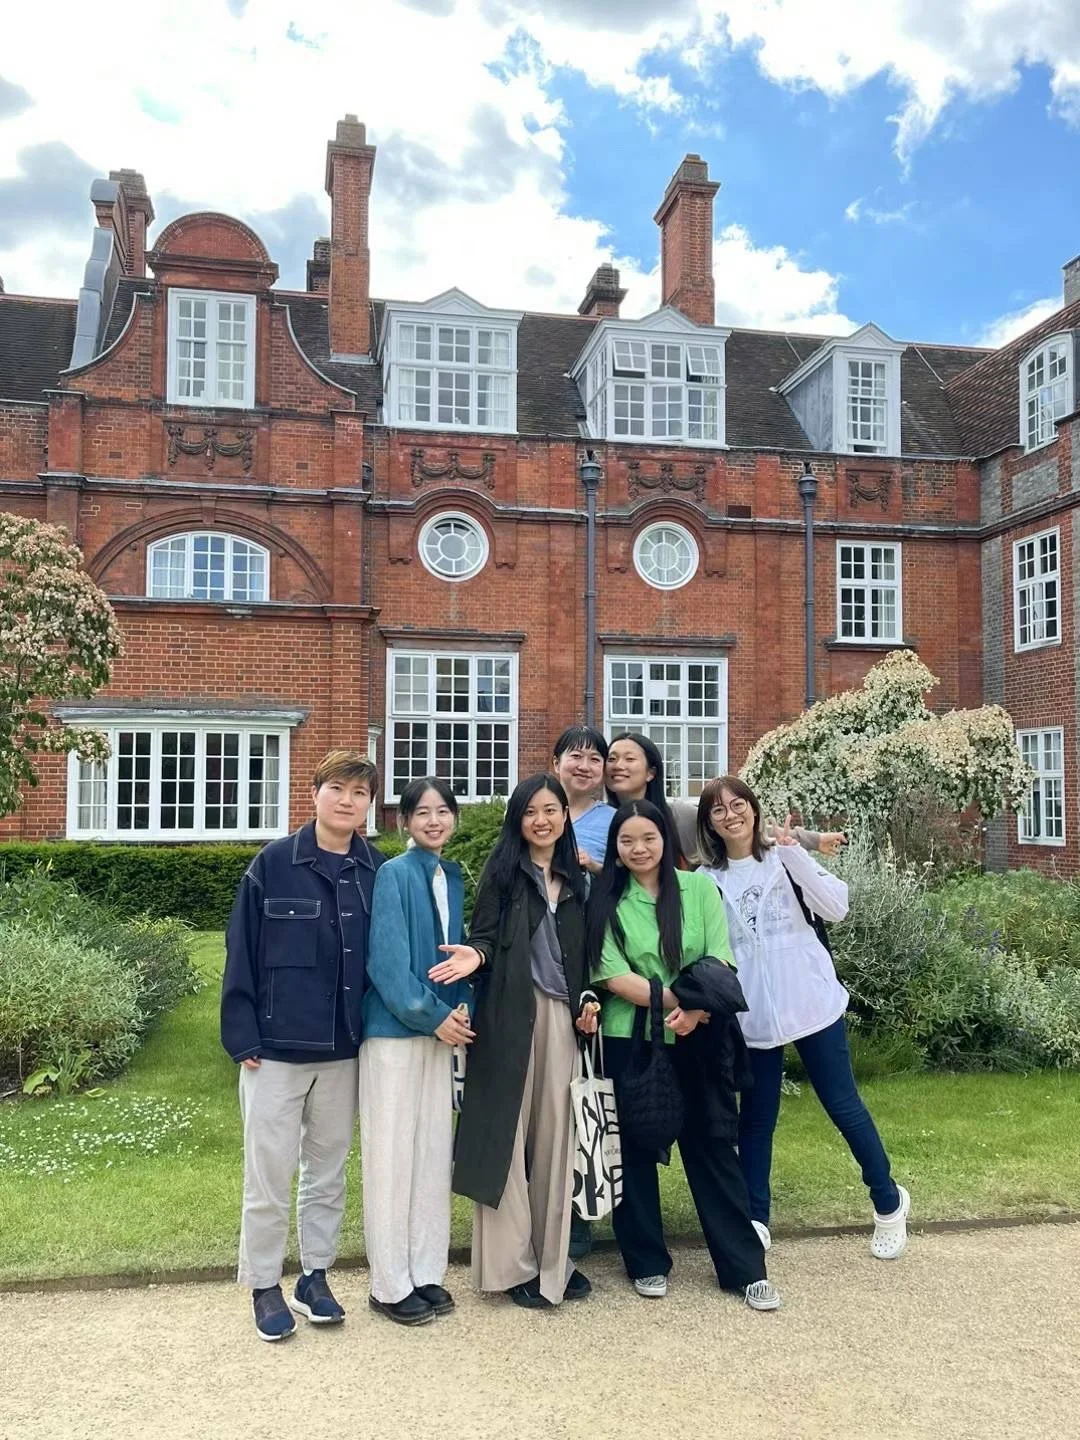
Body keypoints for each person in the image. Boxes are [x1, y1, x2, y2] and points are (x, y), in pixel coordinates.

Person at [696, 775, 910, 1259]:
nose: (731, 815)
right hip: (753, 1018)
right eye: (718, 810)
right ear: (709, 823)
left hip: (811, 1003)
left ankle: (889, 1203)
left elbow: (835, 907)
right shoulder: (708, 880)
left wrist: (795, 852)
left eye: (738, 805)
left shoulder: (784, 859)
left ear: (754, 808)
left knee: (843, 1106)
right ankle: (756, 1219)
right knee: (757, 1120)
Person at [586, 799, 780, 1311]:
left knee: (712, 1148)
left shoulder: (697, 888)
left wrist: (697, 1012)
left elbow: (719, 956)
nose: (638, 849)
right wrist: (685, 1000)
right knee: (635, 1151)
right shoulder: (606, 900)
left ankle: (743, 1268)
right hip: (631, 1038)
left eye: (648, 838)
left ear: (665, 840)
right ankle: (646, 1260)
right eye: (626, 841)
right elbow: (611, 974)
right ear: (615, 848)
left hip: (698, 1037)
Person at [221, 748, 384, 1343]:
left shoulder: (376, 870)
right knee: (268, 1174)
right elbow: (241, 949)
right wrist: (241, 1035)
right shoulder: (272, 864)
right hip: (275, 1051)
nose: (347, 800)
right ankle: (264, 1285)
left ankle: (314, 1276)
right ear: (314, 792)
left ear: (369, 804)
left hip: (344, 1049)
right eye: (337, 788)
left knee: (329, 1172)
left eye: (360, 793)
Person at [432, 774, 600, 1308]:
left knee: (556, 1139)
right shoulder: (504, 873)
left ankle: (553, 1259)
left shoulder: (579, 883)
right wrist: (475, 957)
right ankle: (511, 1266)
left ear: (563, 816)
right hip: (510, 1015)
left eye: (551, 810)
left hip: (562, 1021)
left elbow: (588, 958)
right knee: (507, 1134)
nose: (542, 820)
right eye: (531, 811)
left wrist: (590, 1000)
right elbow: (482, 938)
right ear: (518, 820)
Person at [360, 777, 475, 1326]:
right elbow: (387, 966)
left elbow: (457, 958)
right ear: (404, 822)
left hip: (439, 1033)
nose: (434, 820)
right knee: (391, 1158)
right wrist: (435, 1018)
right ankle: (387, 1283)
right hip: (396, 1035)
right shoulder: (393, 874)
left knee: (431, 1156)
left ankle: (425, 1272)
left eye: (443, 811)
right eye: (422, 812)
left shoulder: (451, 876)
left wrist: (461, 1010)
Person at [604, 732, 686, 863]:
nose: (618, 766)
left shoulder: (680, 817)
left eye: (629, 759)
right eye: (611, 759)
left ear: (651, 773)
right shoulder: (600, 818)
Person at [551, 725, 614, 874]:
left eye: (594, 759)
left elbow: (625, 879)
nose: (585, 767)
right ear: (556, 763)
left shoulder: (615, 820)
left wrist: (593, 866)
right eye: (576, 756)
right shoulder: (531, 810)